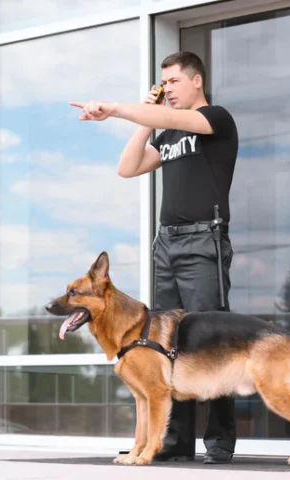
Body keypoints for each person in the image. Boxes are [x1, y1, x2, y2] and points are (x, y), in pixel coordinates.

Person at [69, 51, 238, 465]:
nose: (168, 90)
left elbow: (174, 118)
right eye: (163, 84)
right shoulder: (167, 131)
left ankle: (219, 440)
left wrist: (116, 109)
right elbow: (127, 168)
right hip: (167, 245)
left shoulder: (215, 119)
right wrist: (145, 119)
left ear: (197, 81)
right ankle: (172, 441)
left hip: (203, 241)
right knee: (164, 341)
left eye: (174, 81)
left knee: (210, 337)